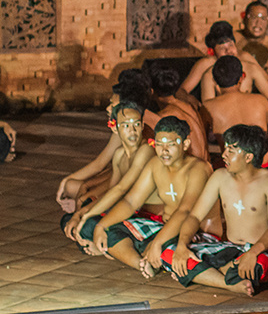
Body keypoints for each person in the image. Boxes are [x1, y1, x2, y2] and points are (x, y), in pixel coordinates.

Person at [160, 124, 268, 293]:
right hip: (227, 248)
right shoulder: (219, 177)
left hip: (259, 250)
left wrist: (252, 253)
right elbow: (195, 216)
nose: (224, 155)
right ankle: (228, 283)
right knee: (170, 253)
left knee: (256, 268)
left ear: (248, 157)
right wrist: (182, 245)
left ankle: (202, 273)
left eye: (231, 151)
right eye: (225, 149)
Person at [90, 116, 213, 273]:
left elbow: (185, 211)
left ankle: (149, 254)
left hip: (193, 233)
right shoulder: (155, 164)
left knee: (170, 252)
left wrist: (158, 242)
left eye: (170, 144)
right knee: (109, 230)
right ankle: (141, 263)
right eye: (159, 144)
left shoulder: (198, 169)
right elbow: (130, 202)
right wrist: (102, 225)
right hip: (164, 227)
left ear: (185, 144)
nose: (164, 150)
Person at [62, 100, 153, 246]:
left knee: (93, 225)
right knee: (69, 221)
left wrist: (86, 216)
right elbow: (111, 192)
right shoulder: (119, 154)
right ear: (115, 128)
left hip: (148, 216)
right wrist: (80, 213)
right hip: (128, 209)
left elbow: (121, 189)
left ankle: (110, 248)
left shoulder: (146, 150)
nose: (132, 131)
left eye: (136, 125)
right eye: (126, 126)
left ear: (142, 125)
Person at [57, 80, 156, 214]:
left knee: (79, 194)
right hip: (123, 187)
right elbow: (108, 168)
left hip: (139, 199)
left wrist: (85, 204)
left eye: (112, 105)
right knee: (74, 187)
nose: (108, 108)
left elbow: (122, 186)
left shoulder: (141, 138)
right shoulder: (121, 137)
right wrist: (72, 184)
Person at [184, 20, 268, 134]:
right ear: (213, 51)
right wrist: (191, 100)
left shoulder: (248, 65)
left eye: (231, 45)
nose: (229, 50)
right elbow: (209, 109)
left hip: (250, 119)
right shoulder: (209, 73)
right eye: (222, 48)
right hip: (224, 124)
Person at [202, 54, 268, 149]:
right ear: (241, 78)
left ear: (214, 81)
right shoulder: (261, 101)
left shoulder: (208, 107)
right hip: (261, 158)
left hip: (230, 159)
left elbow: (201, 140)